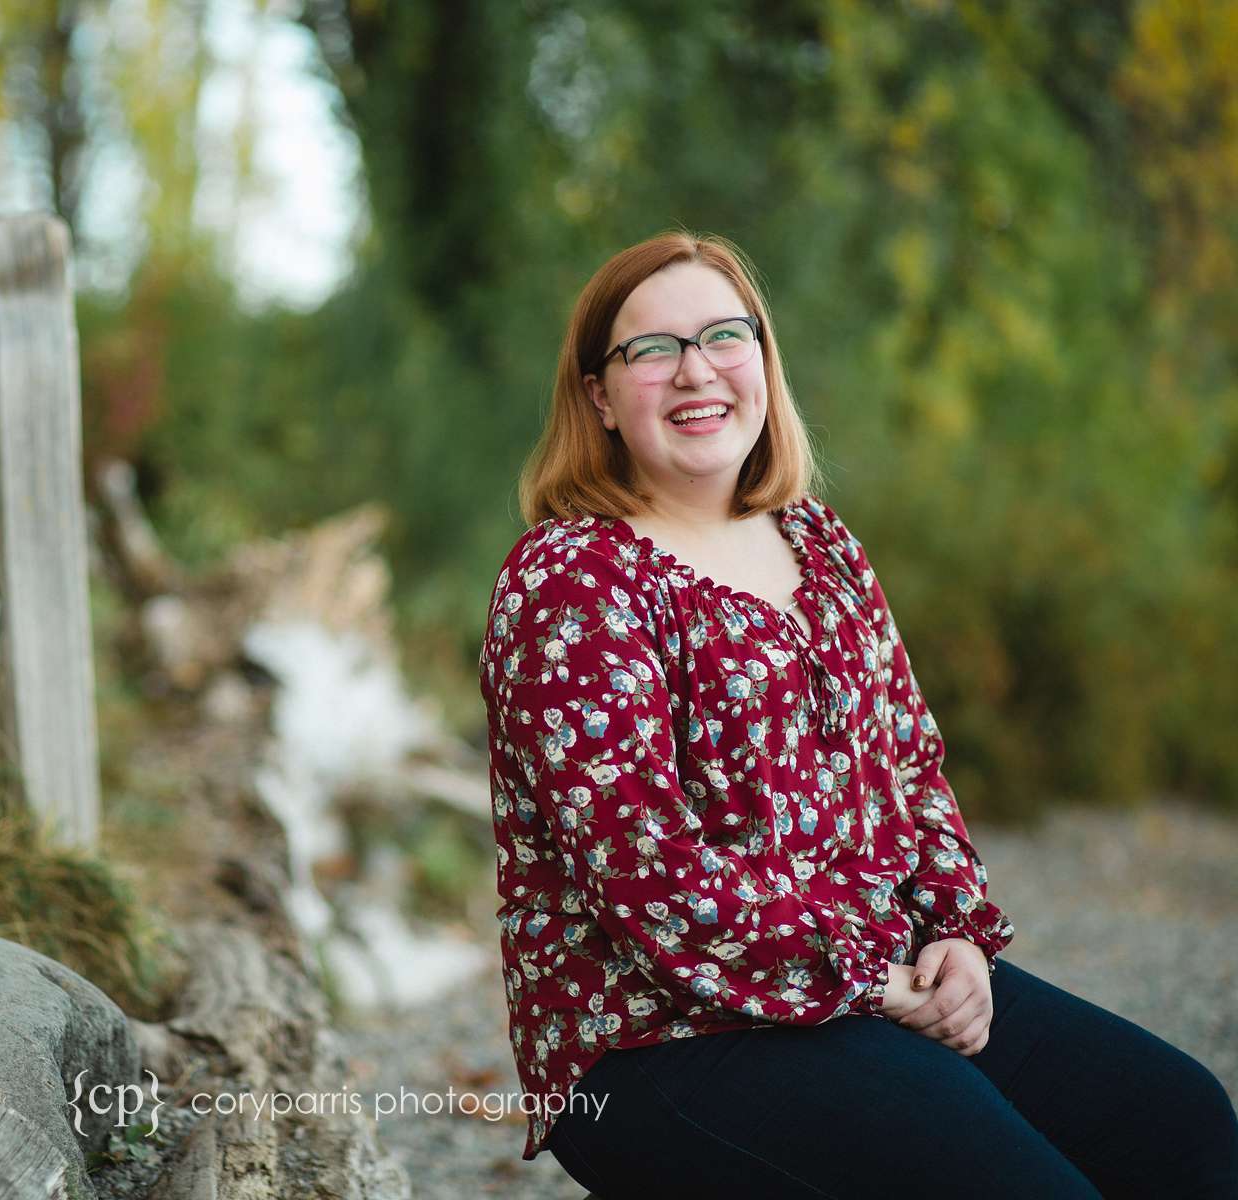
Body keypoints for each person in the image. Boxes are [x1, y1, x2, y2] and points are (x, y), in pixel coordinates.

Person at [477, 229, 1238, 1198]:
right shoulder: (572, 579)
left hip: (872, 979)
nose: (696, 370)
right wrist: (873, 976)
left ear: (762, 357)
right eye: (652, 349)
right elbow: (650, 878)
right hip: (659, 1036)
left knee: (1178, 1122)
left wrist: (956, 935)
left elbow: (911, 769)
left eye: (723, 335)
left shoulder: (820, 544)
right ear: (599, 395)